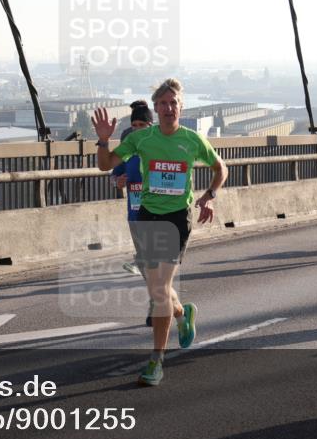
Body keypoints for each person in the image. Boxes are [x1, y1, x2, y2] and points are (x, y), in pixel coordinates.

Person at [93, 79, 228, 386]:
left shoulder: (193, 140)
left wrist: (209, 196)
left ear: (181, 107)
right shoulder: (142, 138)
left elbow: (221, 168)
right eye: (163, 104)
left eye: (174, 103)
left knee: (158, 290)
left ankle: (156, 360)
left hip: (177, 218)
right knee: (158, 287)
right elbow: (106, 165)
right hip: (147, 216)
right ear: (156, 108)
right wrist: (103, 141)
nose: (169, 108)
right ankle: (182, 314)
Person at [111, 101, 153, 278]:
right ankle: (168, 303)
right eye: (134, 125)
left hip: (156, 211)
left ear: (150, 126)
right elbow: (113, 176)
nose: (137, 129)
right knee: (149, 270)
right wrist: (117, 182)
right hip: (134, 212)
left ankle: (165, 302)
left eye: (141, 125)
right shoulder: (128, 152)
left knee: (154, 264)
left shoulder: (160, 149)